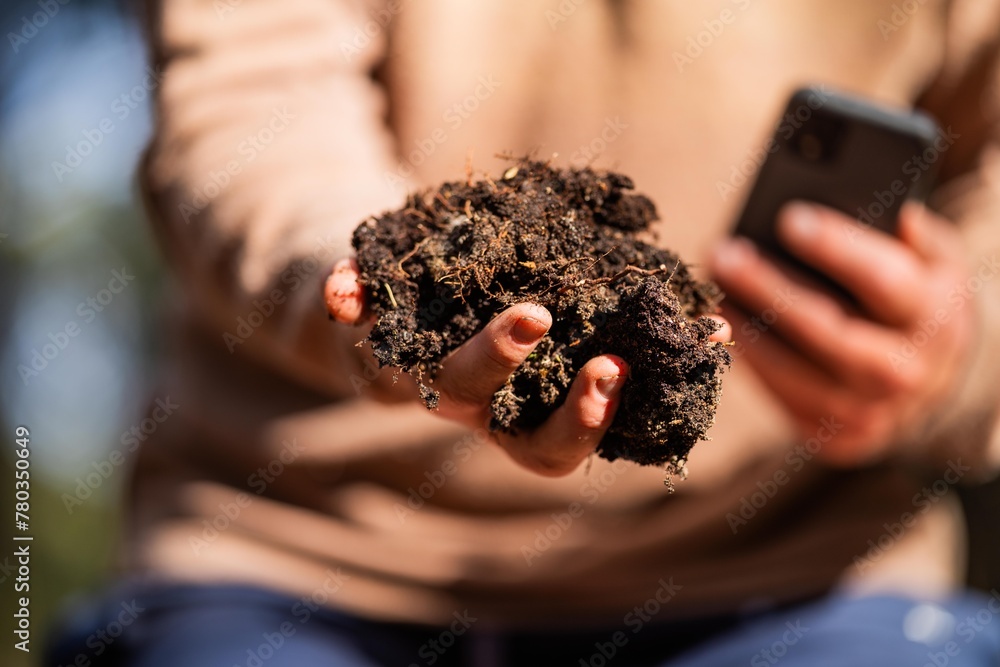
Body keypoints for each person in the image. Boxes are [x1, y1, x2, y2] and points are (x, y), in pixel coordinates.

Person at [46, 0, 1000, 665]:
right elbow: (253, 120)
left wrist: (956, 357)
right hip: (296, 557)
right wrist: (392, 302)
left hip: (792, 577)